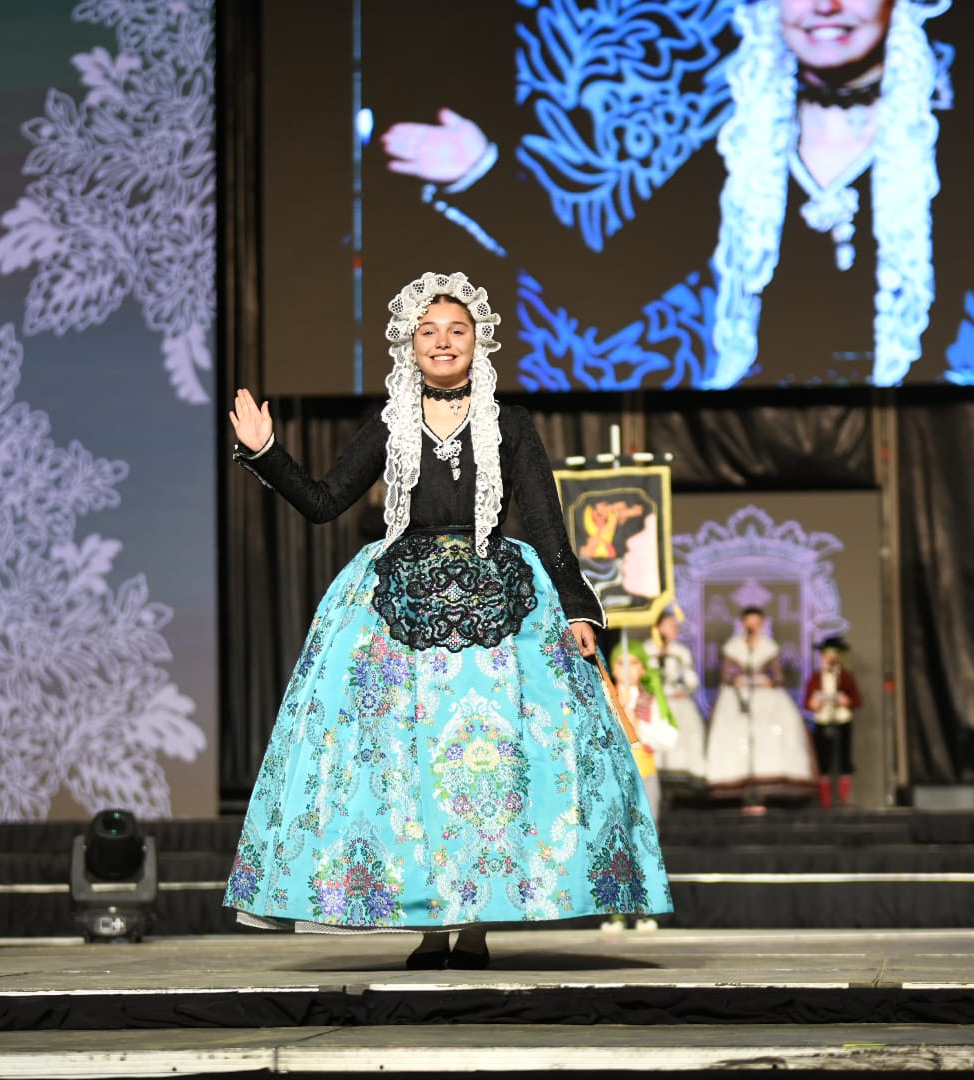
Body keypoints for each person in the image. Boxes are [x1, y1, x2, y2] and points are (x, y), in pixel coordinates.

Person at [223, 271, 673, 969]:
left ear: (478, 343)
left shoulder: (510, 424)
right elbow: (321, 502)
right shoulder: (388, 423)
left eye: (455, 331)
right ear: (409, 343)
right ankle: (430, 925)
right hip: (397, 606)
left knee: (490, 767)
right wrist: (265, 452)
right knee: (412, 769)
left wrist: (579, 608)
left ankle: (474, 928)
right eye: (427, 331)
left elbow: (548, 525)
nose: (441, 341)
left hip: (503, 604)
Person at [379, 0, 974, 390]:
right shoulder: (737, 157)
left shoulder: (962, 153)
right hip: (759, 431)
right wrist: (481, 174)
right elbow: (603, 294)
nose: (825, 6)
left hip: (923, 436)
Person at [703, 606, 817, 810]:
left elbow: (779, 676)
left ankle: (766, 786)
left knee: (769, 734)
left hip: (764, 695)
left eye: (757, 622)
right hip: (739, 696)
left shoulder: (768, 646)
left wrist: (770, 682)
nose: (753, 626)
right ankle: (740, 786)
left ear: (762, 624)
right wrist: (734, 680)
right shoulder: (734, 646)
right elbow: (725, 675)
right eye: (749, 622)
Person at [609, 638, 676, 828]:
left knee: (647, 829)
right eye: (621, 663)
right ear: (613, 669)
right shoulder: (603, 698)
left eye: (634, 663)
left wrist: (638, 725)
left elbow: (668, 738)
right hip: (612, 776)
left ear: (643, 669)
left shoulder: (650, 700)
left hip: (644, 774)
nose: (627, 669)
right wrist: (618, 707)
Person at [644, 607, 707, 786]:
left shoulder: (680, 651)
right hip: (654, 702)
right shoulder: (647, 649)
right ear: (659, 628)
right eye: (670, 626)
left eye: (675, 626)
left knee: (686, 733)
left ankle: (682, 778)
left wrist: (685, 690)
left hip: (676, 699)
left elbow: (691, 680)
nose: (674, 630)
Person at [805, 636, 862, 807]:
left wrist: (846, 700)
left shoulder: (845, 677)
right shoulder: (815, 678)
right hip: (822, 722)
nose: (830, 659)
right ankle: (825, 801)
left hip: (842, 721)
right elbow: (807, 703)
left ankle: (842, 800)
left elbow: (857, 700)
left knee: (844, 761)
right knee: (823, 762)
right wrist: (814, 703)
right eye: (827, 655)